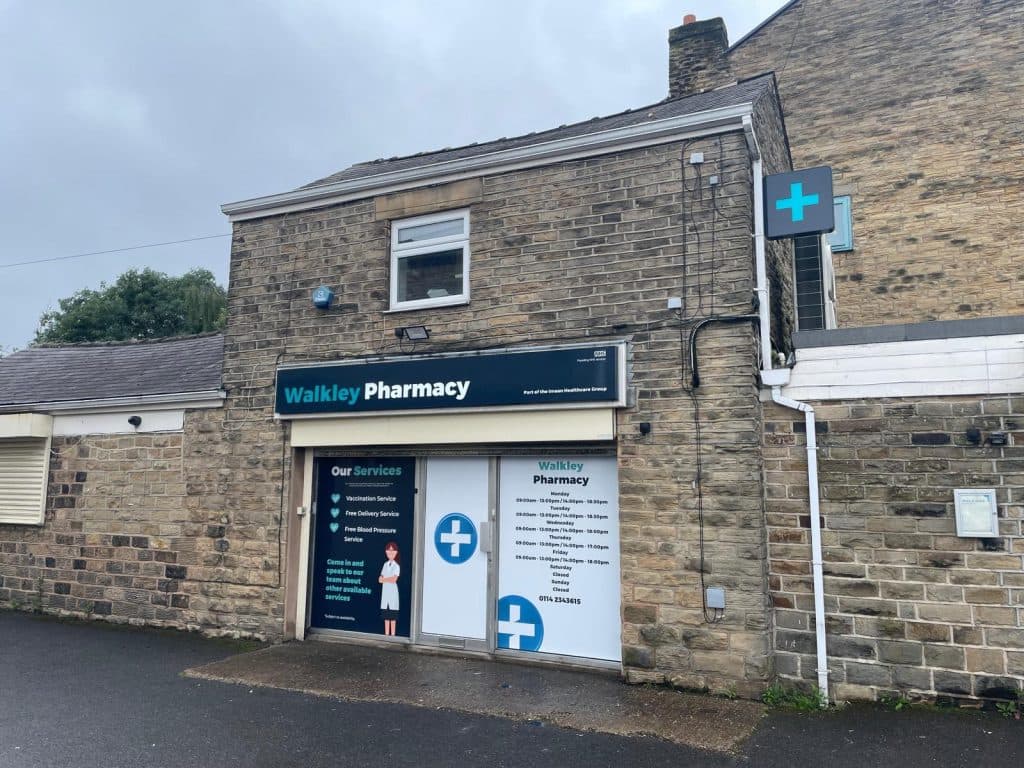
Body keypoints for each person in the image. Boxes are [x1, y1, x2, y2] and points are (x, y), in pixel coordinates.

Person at [378, 541, 400, 636]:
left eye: (392, 551)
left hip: (392, 593)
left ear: (396, 552)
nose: (390, 553)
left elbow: (394, 579)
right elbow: (379, 579)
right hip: (385, 593)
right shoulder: (385, 564)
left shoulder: (397, 566)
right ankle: (386, 635)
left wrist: (385, 579)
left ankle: (393, 636)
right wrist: (386, 579)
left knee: (393, 617)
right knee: (386, 617)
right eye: (388, 550)